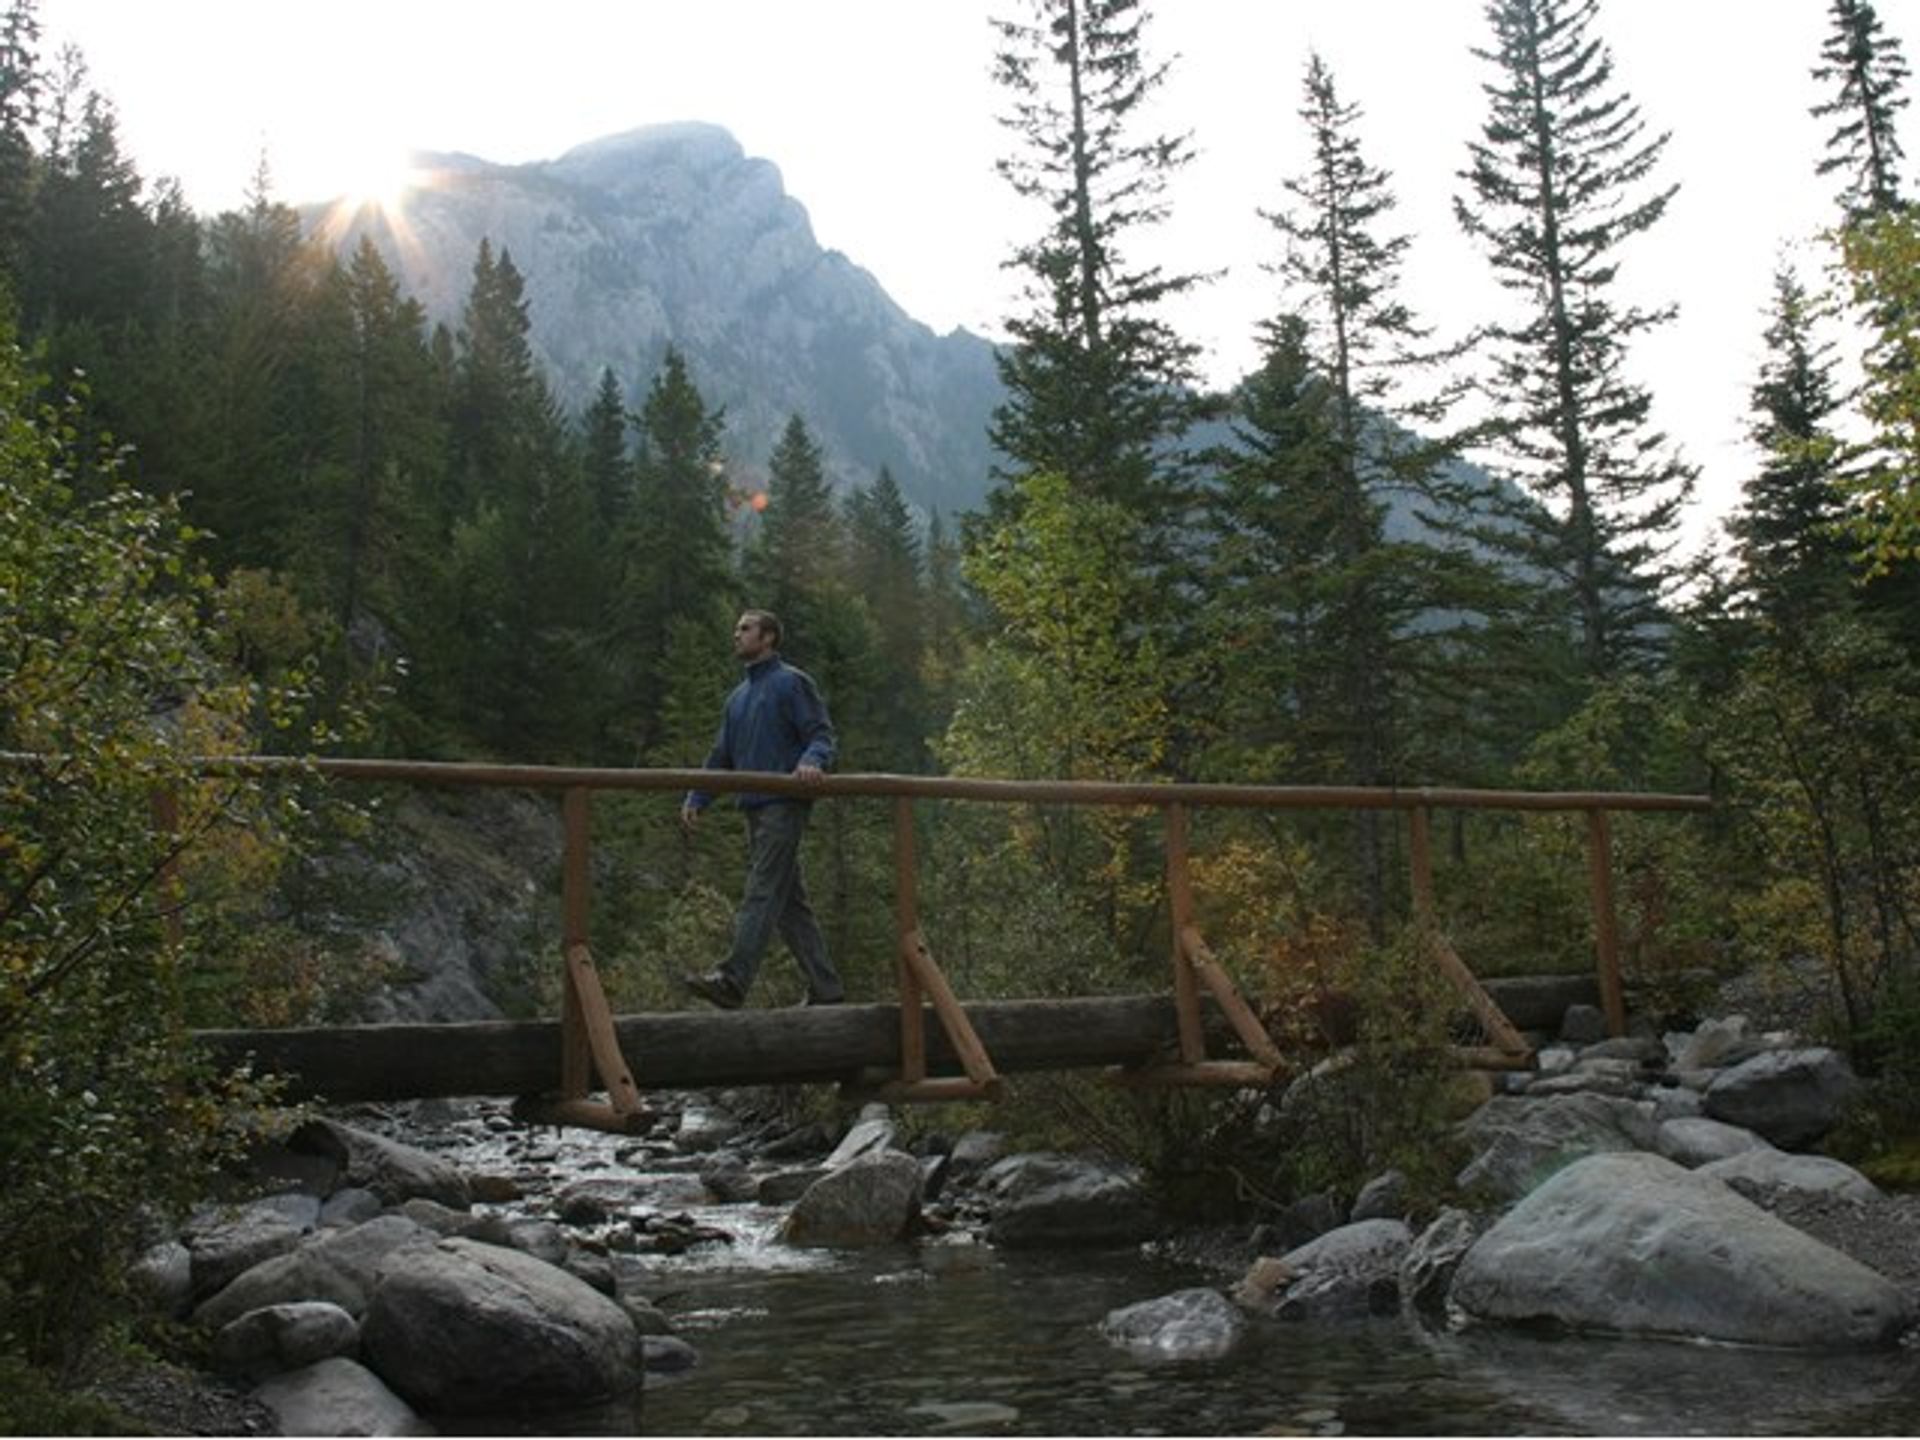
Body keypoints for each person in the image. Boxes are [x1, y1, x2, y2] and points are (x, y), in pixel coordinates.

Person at [678, 609, 846, 1009]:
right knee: (789, 904)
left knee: (762, 889)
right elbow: (721, 756)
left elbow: (821, 734)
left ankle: (733, 979)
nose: (736, 635)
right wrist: (697, 796)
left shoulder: (792, 683)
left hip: (784, 803)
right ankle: (826, 988)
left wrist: (812, 761)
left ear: (768, 638)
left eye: (745, 628)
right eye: (737, 628)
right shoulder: (737, 699)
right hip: (754, 808)